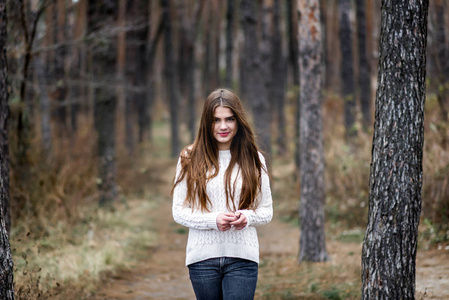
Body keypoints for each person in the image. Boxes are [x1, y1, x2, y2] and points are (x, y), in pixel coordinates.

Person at [171, 88, 273, 300]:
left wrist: (247, 217)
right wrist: (213, 219)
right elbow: (179, 211)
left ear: (238, 121)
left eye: (229, 119)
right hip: (202, 259)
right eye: (216, 120)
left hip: (242, 257)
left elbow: (266, 210)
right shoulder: (189, 157)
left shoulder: (254, 159)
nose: (223, 126)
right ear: (206, 122)